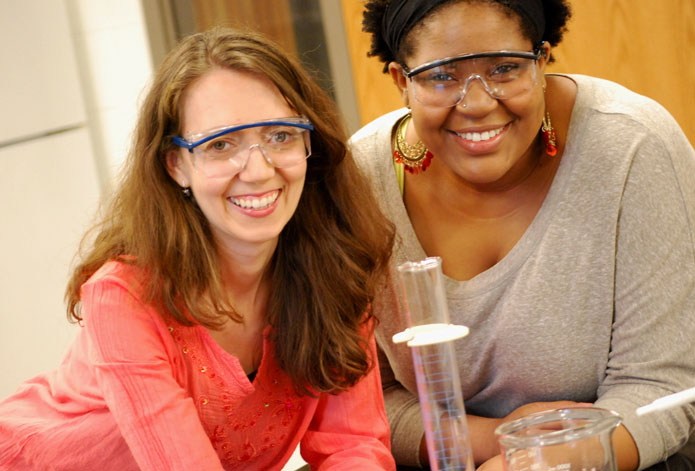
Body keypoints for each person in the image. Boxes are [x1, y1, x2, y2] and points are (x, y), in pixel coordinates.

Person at [0, 27, 397, 471]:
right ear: (176, 166)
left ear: (309, 142)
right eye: (220, 145)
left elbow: (354, 447)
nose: (259, 169)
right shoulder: (122, 297)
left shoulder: (335, 268)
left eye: (280, 135)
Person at [350, 0, 695, 469]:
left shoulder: (632, 145)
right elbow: (358, 401)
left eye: (505, 69)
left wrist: (545, 458)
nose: (477, 103)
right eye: (441, 76)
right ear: (400, 81)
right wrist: (502, 442)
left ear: (543, 60)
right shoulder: (359, 180)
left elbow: (665, 389)